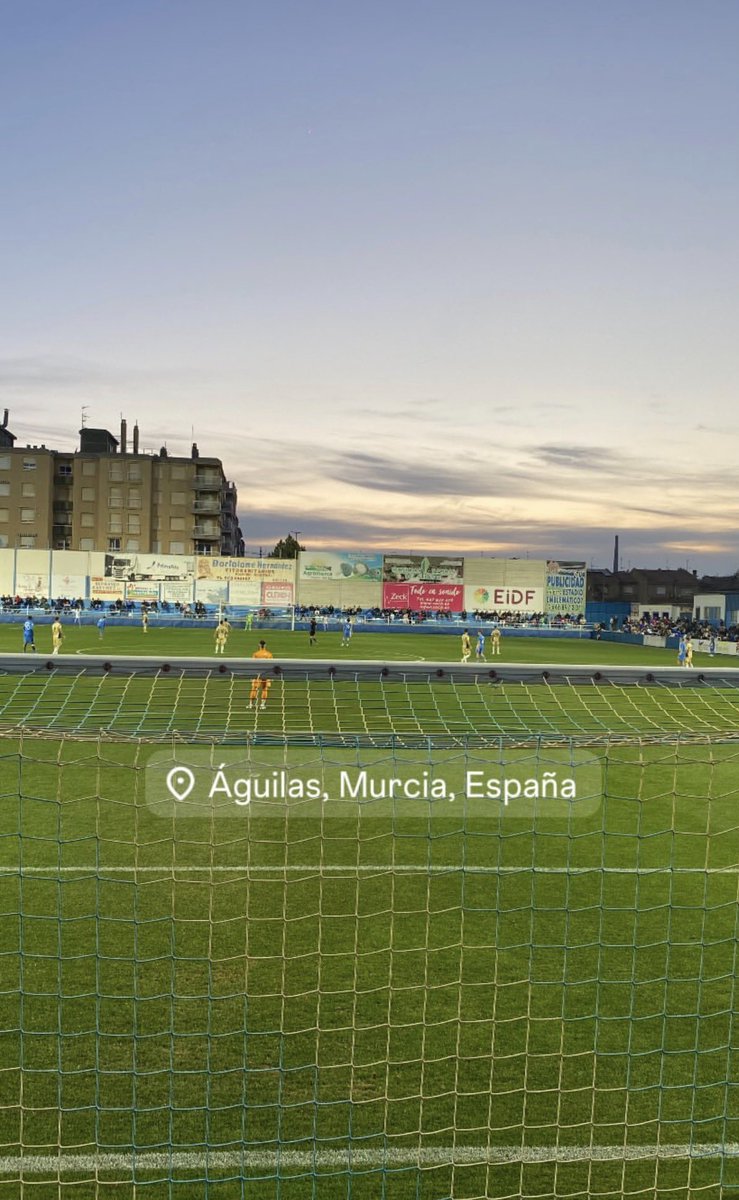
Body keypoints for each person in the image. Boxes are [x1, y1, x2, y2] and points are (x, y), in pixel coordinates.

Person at [249, 640, 273, 709]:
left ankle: (251, 704)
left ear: (259, 645)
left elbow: (252, 665)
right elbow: (272, 665)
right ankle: (262, 705)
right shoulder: (269, 654)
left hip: (257, 673)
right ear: (265, 646)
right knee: (265, 688)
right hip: (266, 673)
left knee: (254, 688)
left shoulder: (256, 654)